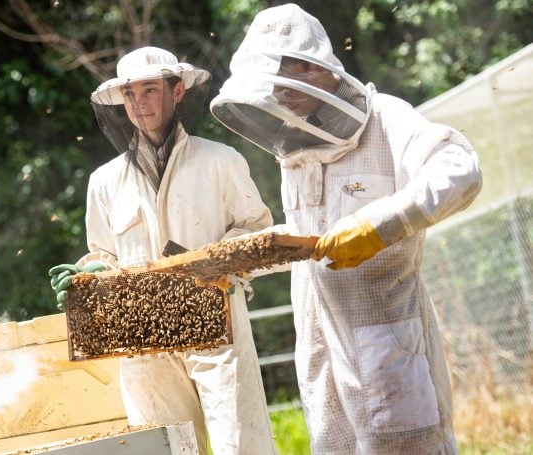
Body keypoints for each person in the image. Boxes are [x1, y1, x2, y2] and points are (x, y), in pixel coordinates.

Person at [210, 4, 483, 454]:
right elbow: (308, 239)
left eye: (285, 80)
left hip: (388, 342)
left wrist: (377, 227)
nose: (280, 96)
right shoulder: (295, 145)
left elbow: (460, 171)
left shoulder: (386, 119)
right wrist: (237, 257)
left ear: (310, 68)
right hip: (318, 347)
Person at [49, 46, 277, 454]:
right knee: (164, 448)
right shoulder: (104, 182)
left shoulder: (221, 161)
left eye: (150, 90)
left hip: (216, 327)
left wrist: (221, 262)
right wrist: (91, 273)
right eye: (130, 94)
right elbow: (105, 253)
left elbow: (258, 234)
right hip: (142, 335)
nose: (139, 103)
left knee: (240, 444)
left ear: (176, 93)